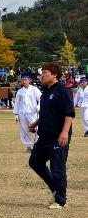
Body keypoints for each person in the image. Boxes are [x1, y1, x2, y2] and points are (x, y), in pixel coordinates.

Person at [29, 63, 75, 209]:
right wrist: (36, 123)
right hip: (44, 136)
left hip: (58, 136)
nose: (42, 75)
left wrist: (64, 132)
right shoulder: (45, 91)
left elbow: (69, 114)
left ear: (54, 74)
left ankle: (61, 201)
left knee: (57, 168)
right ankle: (55, 189)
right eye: (42, 72)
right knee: (35, 162)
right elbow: (46, 112)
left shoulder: (63, 91)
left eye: (45, 72)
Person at [13, 75, 41, 152]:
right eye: (22, 80)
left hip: (32, 112)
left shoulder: (34, 89)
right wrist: (16, 114)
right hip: (22, 112)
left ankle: (38, 146)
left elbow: (41, 99)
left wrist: (39, 107)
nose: (24, 81)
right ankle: (29, 146)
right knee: (24, 129)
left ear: (29, 80)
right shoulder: (20, 91)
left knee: (37, 129)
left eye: (25, 80)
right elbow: (17, 103)